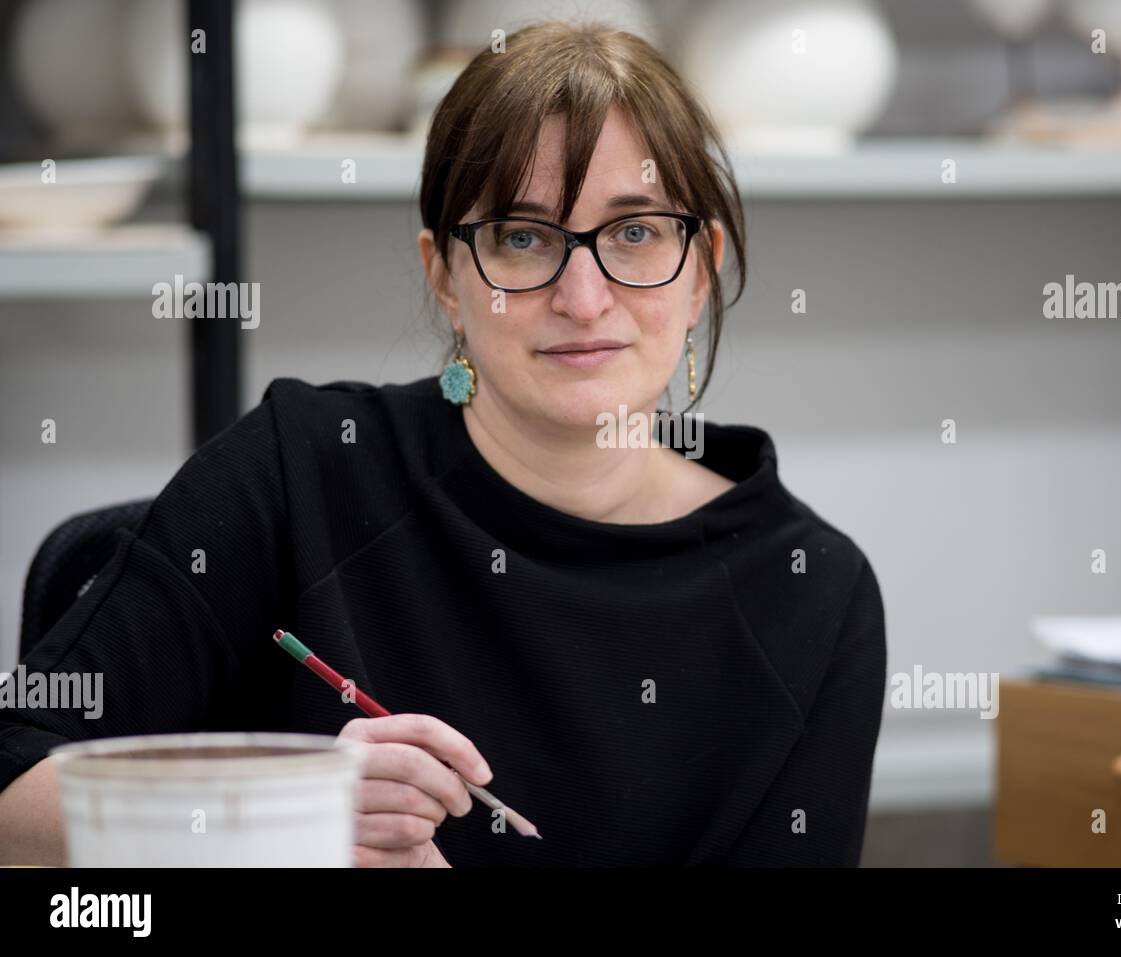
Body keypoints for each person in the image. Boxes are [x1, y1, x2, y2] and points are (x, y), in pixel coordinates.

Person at [0, 21, 886, 867]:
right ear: (447, 279)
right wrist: (274, 820)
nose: (583, 296)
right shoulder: (298, 469)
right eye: (524, 236)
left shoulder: (811, 592)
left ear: (700, 270)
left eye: (635, 231)